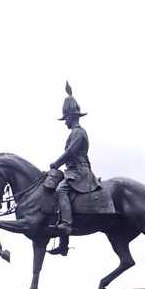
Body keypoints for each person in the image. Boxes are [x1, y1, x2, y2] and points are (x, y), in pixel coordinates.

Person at [48, 83, 98, 235]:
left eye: (66, 119)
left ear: (71, 117)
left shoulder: (79, 133)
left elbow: (70, 152)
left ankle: (67, 224)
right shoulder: (75, 133)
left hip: (79, 172)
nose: (65, 122)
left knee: (61, 190)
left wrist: (56, 163)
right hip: (72, 171)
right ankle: (63, 241)